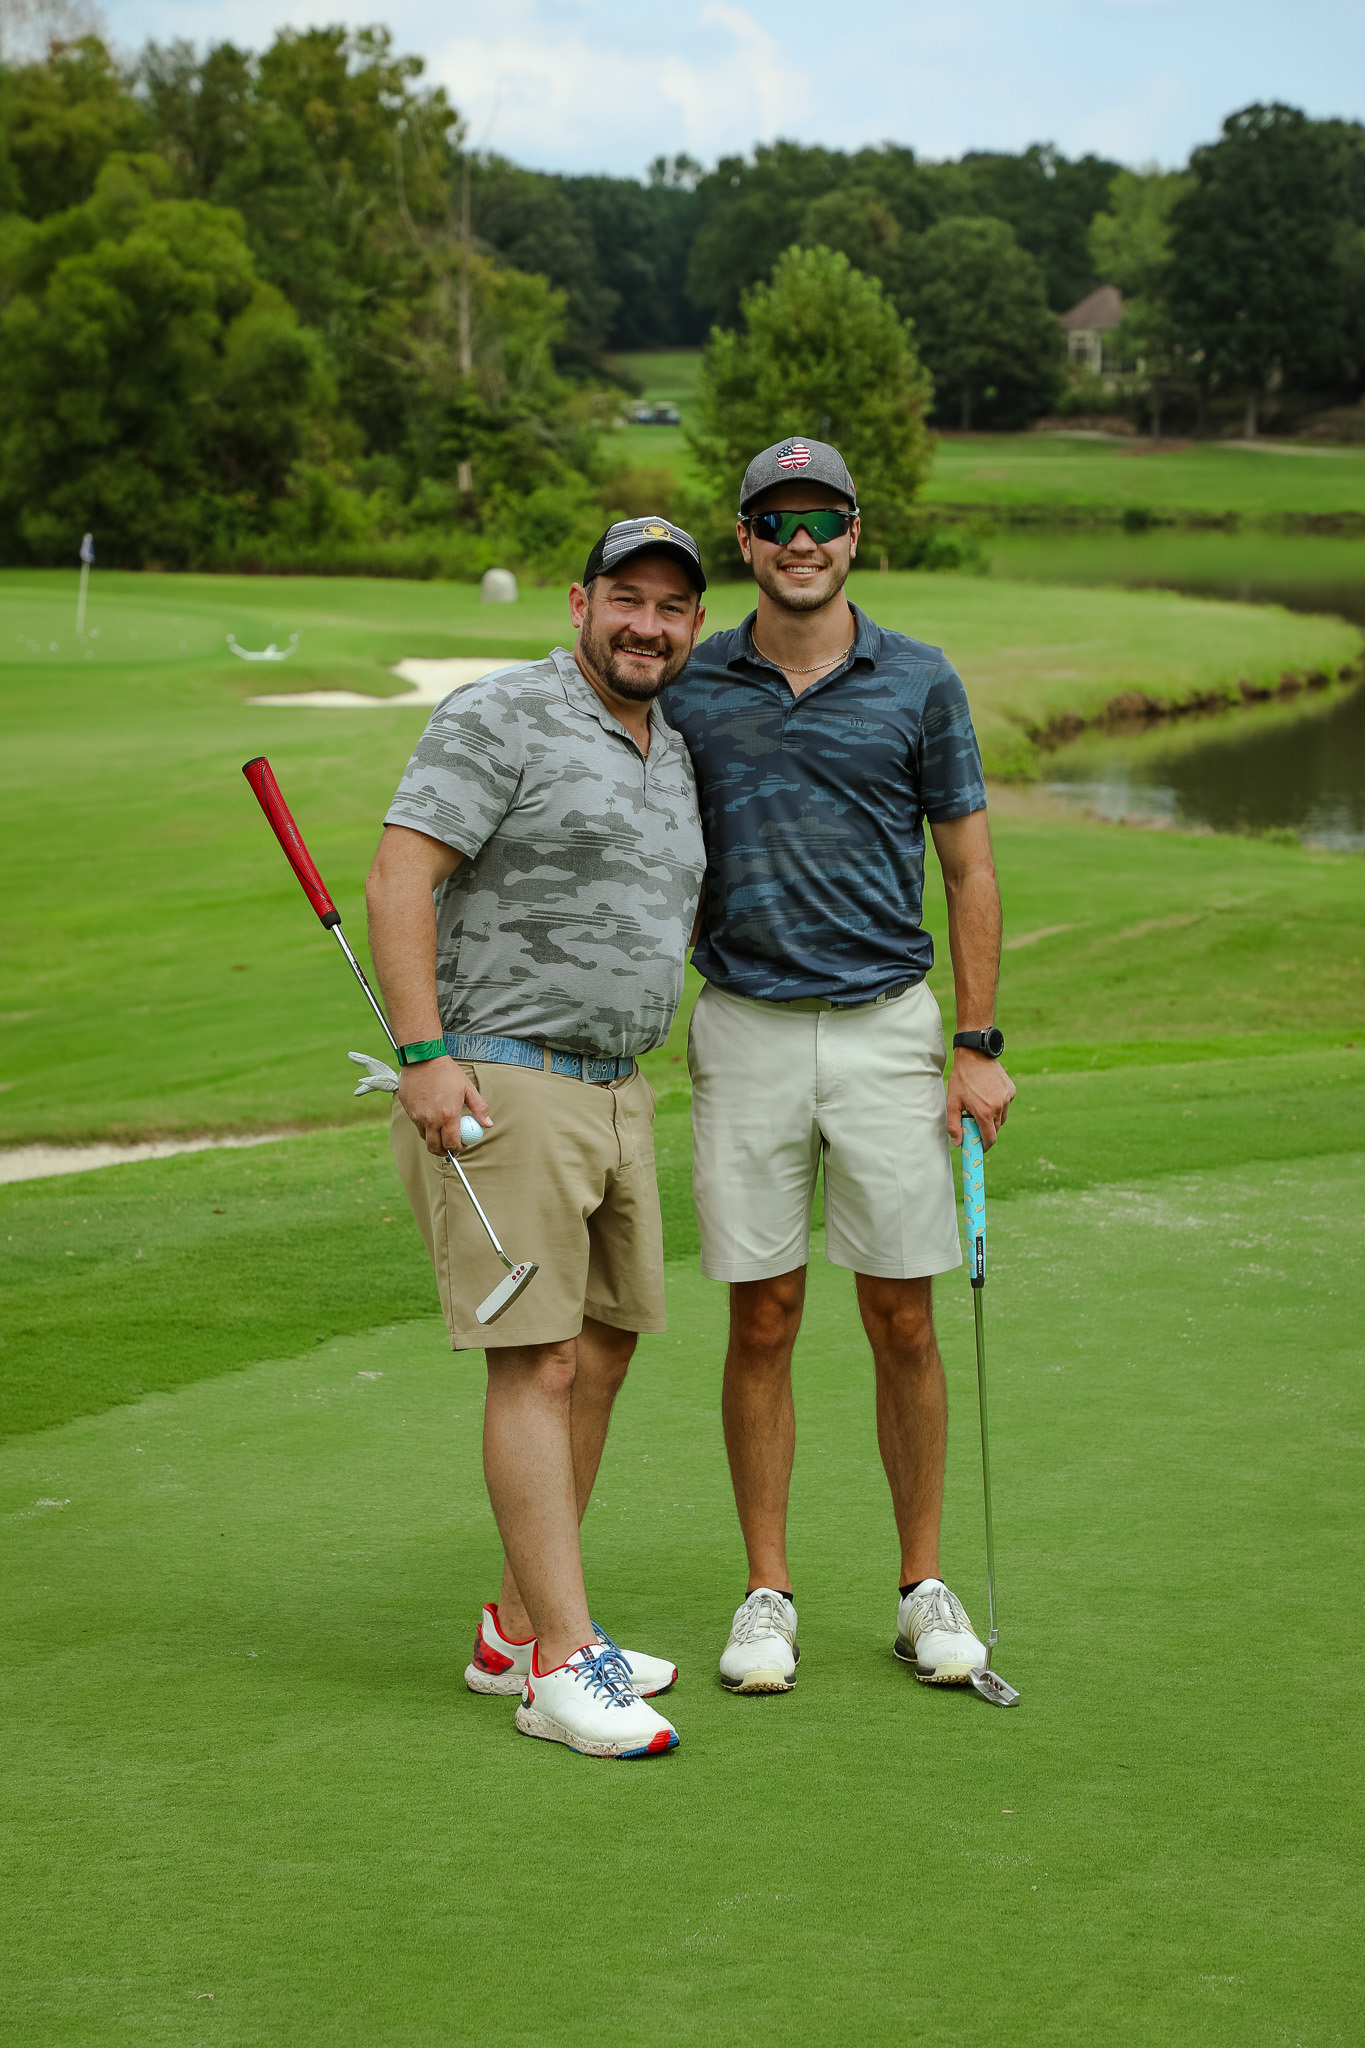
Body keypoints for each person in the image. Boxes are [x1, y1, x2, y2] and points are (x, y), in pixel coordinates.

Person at [663, 437, 1016, 1696]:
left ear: (855, 534)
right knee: (761, 1310)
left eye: (823, 519)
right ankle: (767, 1591)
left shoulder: (919, 678)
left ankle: (923, 1586)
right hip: (745, 1024)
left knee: (901, 1313)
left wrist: (977, 1043)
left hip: (889, 1028)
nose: (800, 540)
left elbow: (968, 866)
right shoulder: (693, 685)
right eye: (777, 520)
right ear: (746, 541)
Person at [365, 516, 707, 1759]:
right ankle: (563, 1665)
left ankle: (515, 1629)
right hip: (504, 1078)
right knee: (539, 1361)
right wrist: (423, 1053)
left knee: (603, 1346)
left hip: (618, 1089)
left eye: (671, 606)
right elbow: (399, 875)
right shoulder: (501, 712)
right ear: (580, 601)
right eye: (627, 597)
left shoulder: (673, 747)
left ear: (694, 626)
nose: (646, 625)